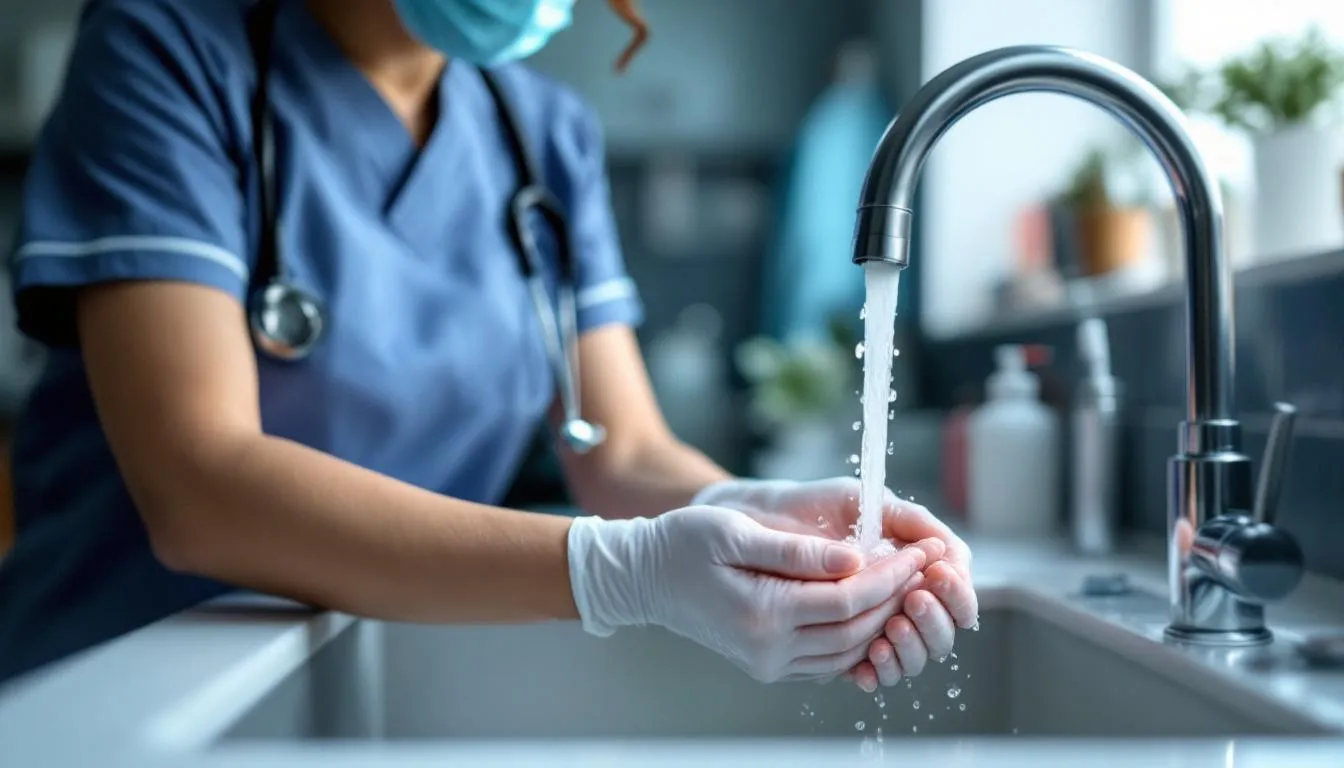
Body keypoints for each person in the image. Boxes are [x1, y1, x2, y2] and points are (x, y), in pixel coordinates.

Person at [0, 0, 977, 691]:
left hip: (363, 665)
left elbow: (623, 454)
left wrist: (763, 527)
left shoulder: (543, 135)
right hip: (118, 678)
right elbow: (200, 486)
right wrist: (617, 571)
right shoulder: (164, 50)